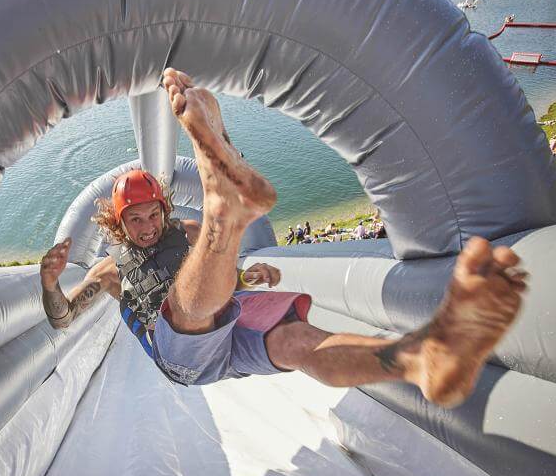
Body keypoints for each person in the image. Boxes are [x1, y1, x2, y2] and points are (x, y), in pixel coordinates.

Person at [41, 68, 527, 408]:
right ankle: (224, 205)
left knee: (296, 342)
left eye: (153, 214)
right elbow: (63, 318)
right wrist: (49, 283)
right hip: (179, 354)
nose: (148, 226)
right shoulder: (110, 270)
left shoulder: (184, 233)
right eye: (136, 220)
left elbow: (223, 285)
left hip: (227, 329)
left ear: (164, 210)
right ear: (119, 224)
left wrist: (247, 277)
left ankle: (422, 359)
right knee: (184, 311)